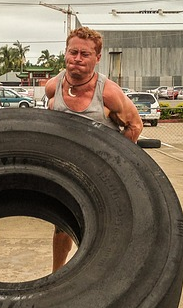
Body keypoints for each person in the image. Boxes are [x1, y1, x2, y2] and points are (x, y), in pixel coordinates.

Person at [44, 26, 143, 272]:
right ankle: (57, 273)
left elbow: (135, 125)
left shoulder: (108, 92)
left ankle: (101, 275)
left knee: (105, 228)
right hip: (68, 169)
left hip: (103, 173)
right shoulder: (53, 87)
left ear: (97, 58)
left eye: (85, 54)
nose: (77, 58)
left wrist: (117, 160)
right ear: (65, 53)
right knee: (63, 225)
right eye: (73, 52)